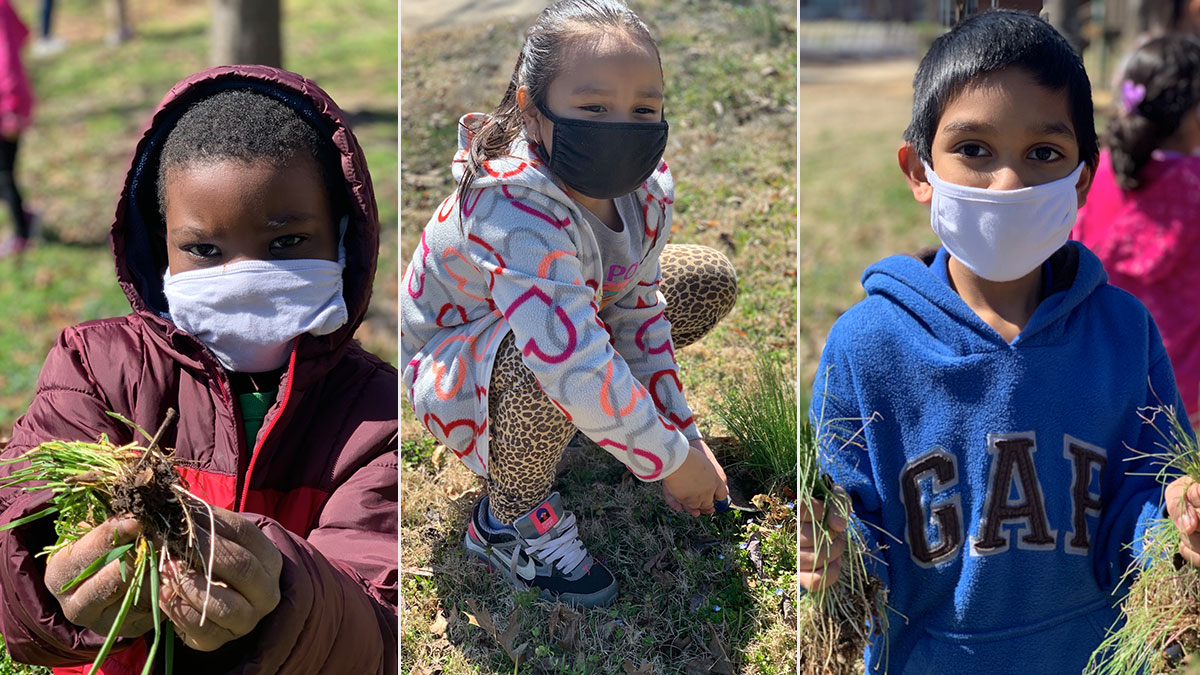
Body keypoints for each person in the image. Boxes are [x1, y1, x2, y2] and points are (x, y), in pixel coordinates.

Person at [805, 10, 1200, 673]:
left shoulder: (1125, 334)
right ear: (919, 170)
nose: (1009, 182)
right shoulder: (863, 347)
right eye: (975, 149)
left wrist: (1179, 524)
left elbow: (1144, 509)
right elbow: (853, 536)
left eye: (1043, 153)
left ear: (1082, 178)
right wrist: (825, 551)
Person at [0, 65, 397, 674]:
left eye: (286, 243)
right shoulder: (92, 369)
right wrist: (51, 590)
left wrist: (287, 594)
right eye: (204, 251)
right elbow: (16, 532)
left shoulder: (373, 418)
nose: (240, 278)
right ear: (160, 249)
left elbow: (376, 629)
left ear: (343, 239)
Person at [401, 0, 738, 608]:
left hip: (557, 327)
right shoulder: (510, 202)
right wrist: (668, 462)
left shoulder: (647, 190)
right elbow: (567, 357)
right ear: (532, 111)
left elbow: (636, 314)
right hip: (457, 367)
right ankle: (508, 521)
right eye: (593, 107)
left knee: (703, 278)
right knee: (551, 366)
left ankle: (591, 419)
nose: (621, 125)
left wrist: (678, 433)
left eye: (644, 108)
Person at [1074, 35, 1200, 422]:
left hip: (1095, 376)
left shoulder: (1096, 174)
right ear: (1192, 112)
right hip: (1182, 391)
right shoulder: (1194, 183)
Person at [0, 0, 34, 257]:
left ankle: (23, 232)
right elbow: (23, 32)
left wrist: (11, 104)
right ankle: (23, 216)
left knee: (4, 172)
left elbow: (8, 56)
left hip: (6, 106)